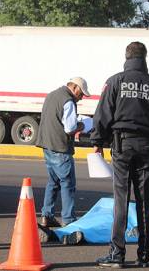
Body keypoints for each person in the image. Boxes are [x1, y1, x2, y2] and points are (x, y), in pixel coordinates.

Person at [90, 42, 149, 268]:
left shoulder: (115, 81)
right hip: (147, 146)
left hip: (122, 145)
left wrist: (97, 141)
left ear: (126, 57)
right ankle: (144, 255)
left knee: (121, 200)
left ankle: (117, 255)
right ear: (145, 57)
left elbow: (103, 114)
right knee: (144, 200)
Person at [36, 77, 91, 228]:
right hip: (60, 148)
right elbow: (70, 128)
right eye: (81, 94)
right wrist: (82, 125)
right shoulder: (68, 101)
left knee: (53, 182)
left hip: (47, 146)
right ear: (75, 88)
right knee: (68, 184)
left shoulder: (52, 95)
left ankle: (47, 216)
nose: (81, 98)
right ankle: (68, 219)